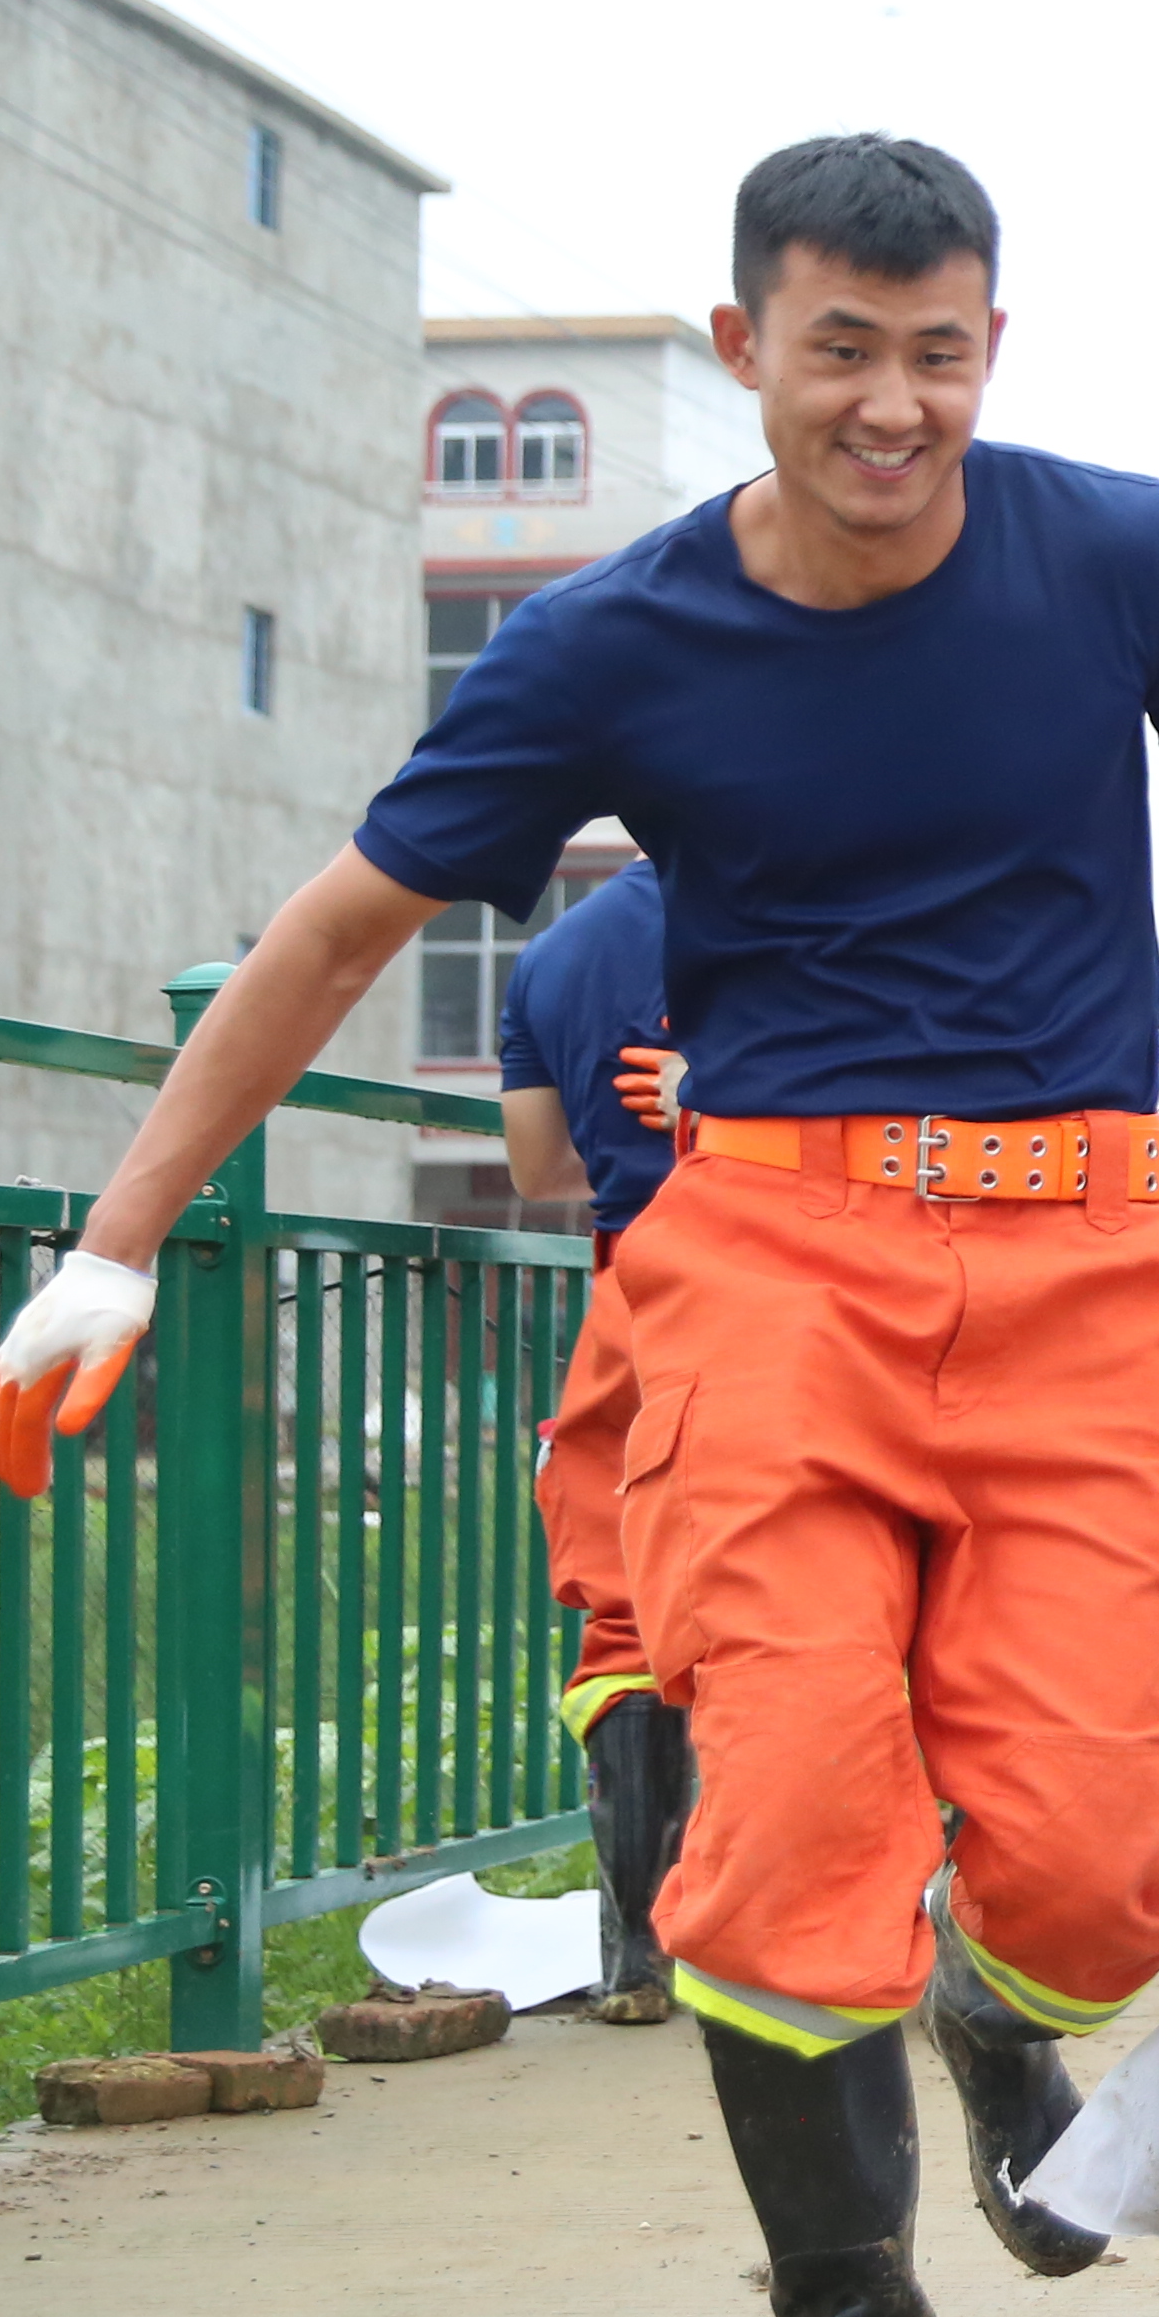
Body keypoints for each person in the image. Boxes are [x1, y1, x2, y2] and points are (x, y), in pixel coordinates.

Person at [0, 133, 1159, 2317]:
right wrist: (121, 1237)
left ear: (994, 347)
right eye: (839, 350)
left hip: (1082, 1256)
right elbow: (344, 924)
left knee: (1088, 1862)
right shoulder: (610, 641)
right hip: (768, 1264)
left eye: (937, 352)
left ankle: (993, 1999)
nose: (892, 405)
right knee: (773, 1824)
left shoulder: (1110, 554)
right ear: (744, 344)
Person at [500, 860, 692, 2021]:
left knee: (625, 1610)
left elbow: (535, 1166)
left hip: (632, 1284)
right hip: (799, 1278)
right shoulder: (815, 906)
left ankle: (636, 1950)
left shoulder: (554, 955)